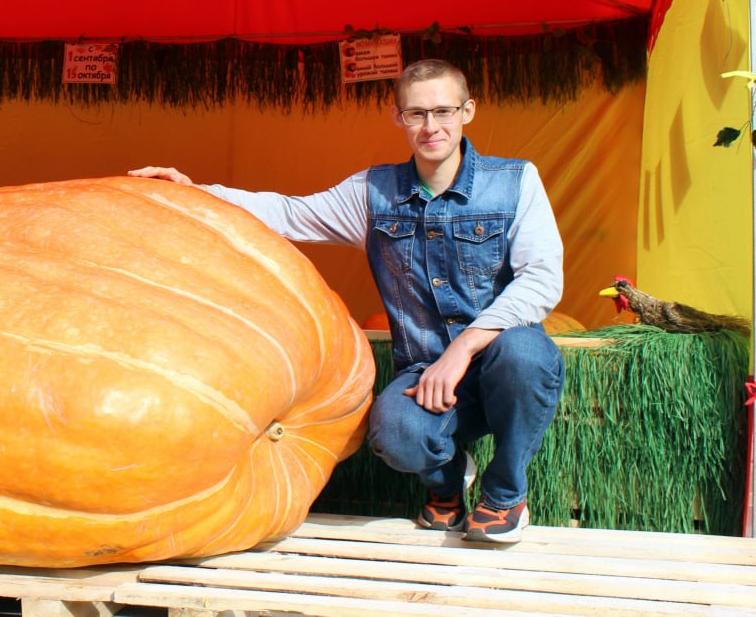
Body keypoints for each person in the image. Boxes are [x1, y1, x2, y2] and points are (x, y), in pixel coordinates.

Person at [129, 58, 564, 544]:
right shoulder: (373, 193)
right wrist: (196, 192)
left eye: (443, 111)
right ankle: (445, 483)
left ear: (468, 111)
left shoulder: (515, 182)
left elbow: (542, 280)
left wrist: (463, 350)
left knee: (526, 353)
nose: (431, 126)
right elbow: (290, 214)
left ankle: (505, 494)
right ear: (398, 118)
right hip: (425, 372)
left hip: (497, 360)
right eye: (416, 114)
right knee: (395, 435)